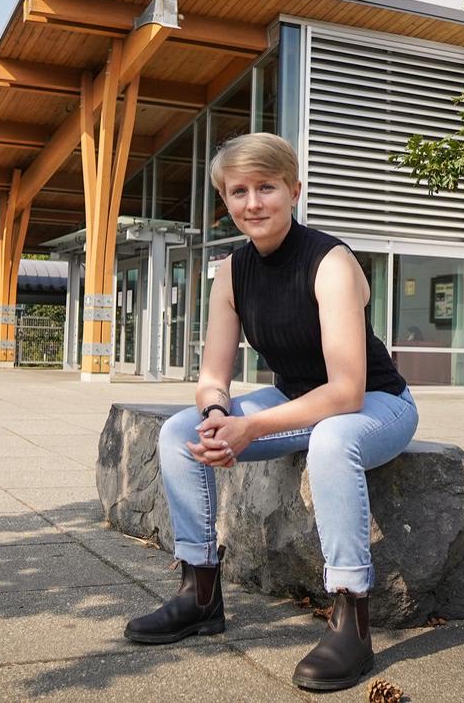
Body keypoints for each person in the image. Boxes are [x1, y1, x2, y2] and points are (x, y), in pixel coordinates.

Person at [123, 132, 417, 692]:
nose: (253, 202)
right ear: (226, 201)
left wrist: (250, 426)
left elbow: (347, 392)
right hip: (295, 399)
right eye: (239, 191)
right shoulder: (232, 272)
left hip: (377, 404)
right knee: (181, 431)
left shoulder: (331, 261)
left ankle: (352, 618)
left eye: (267, 187)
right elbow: (213, 377)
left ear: (294, 190)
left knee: (331, 439)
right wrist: (216, 413)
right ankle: (199, 593)